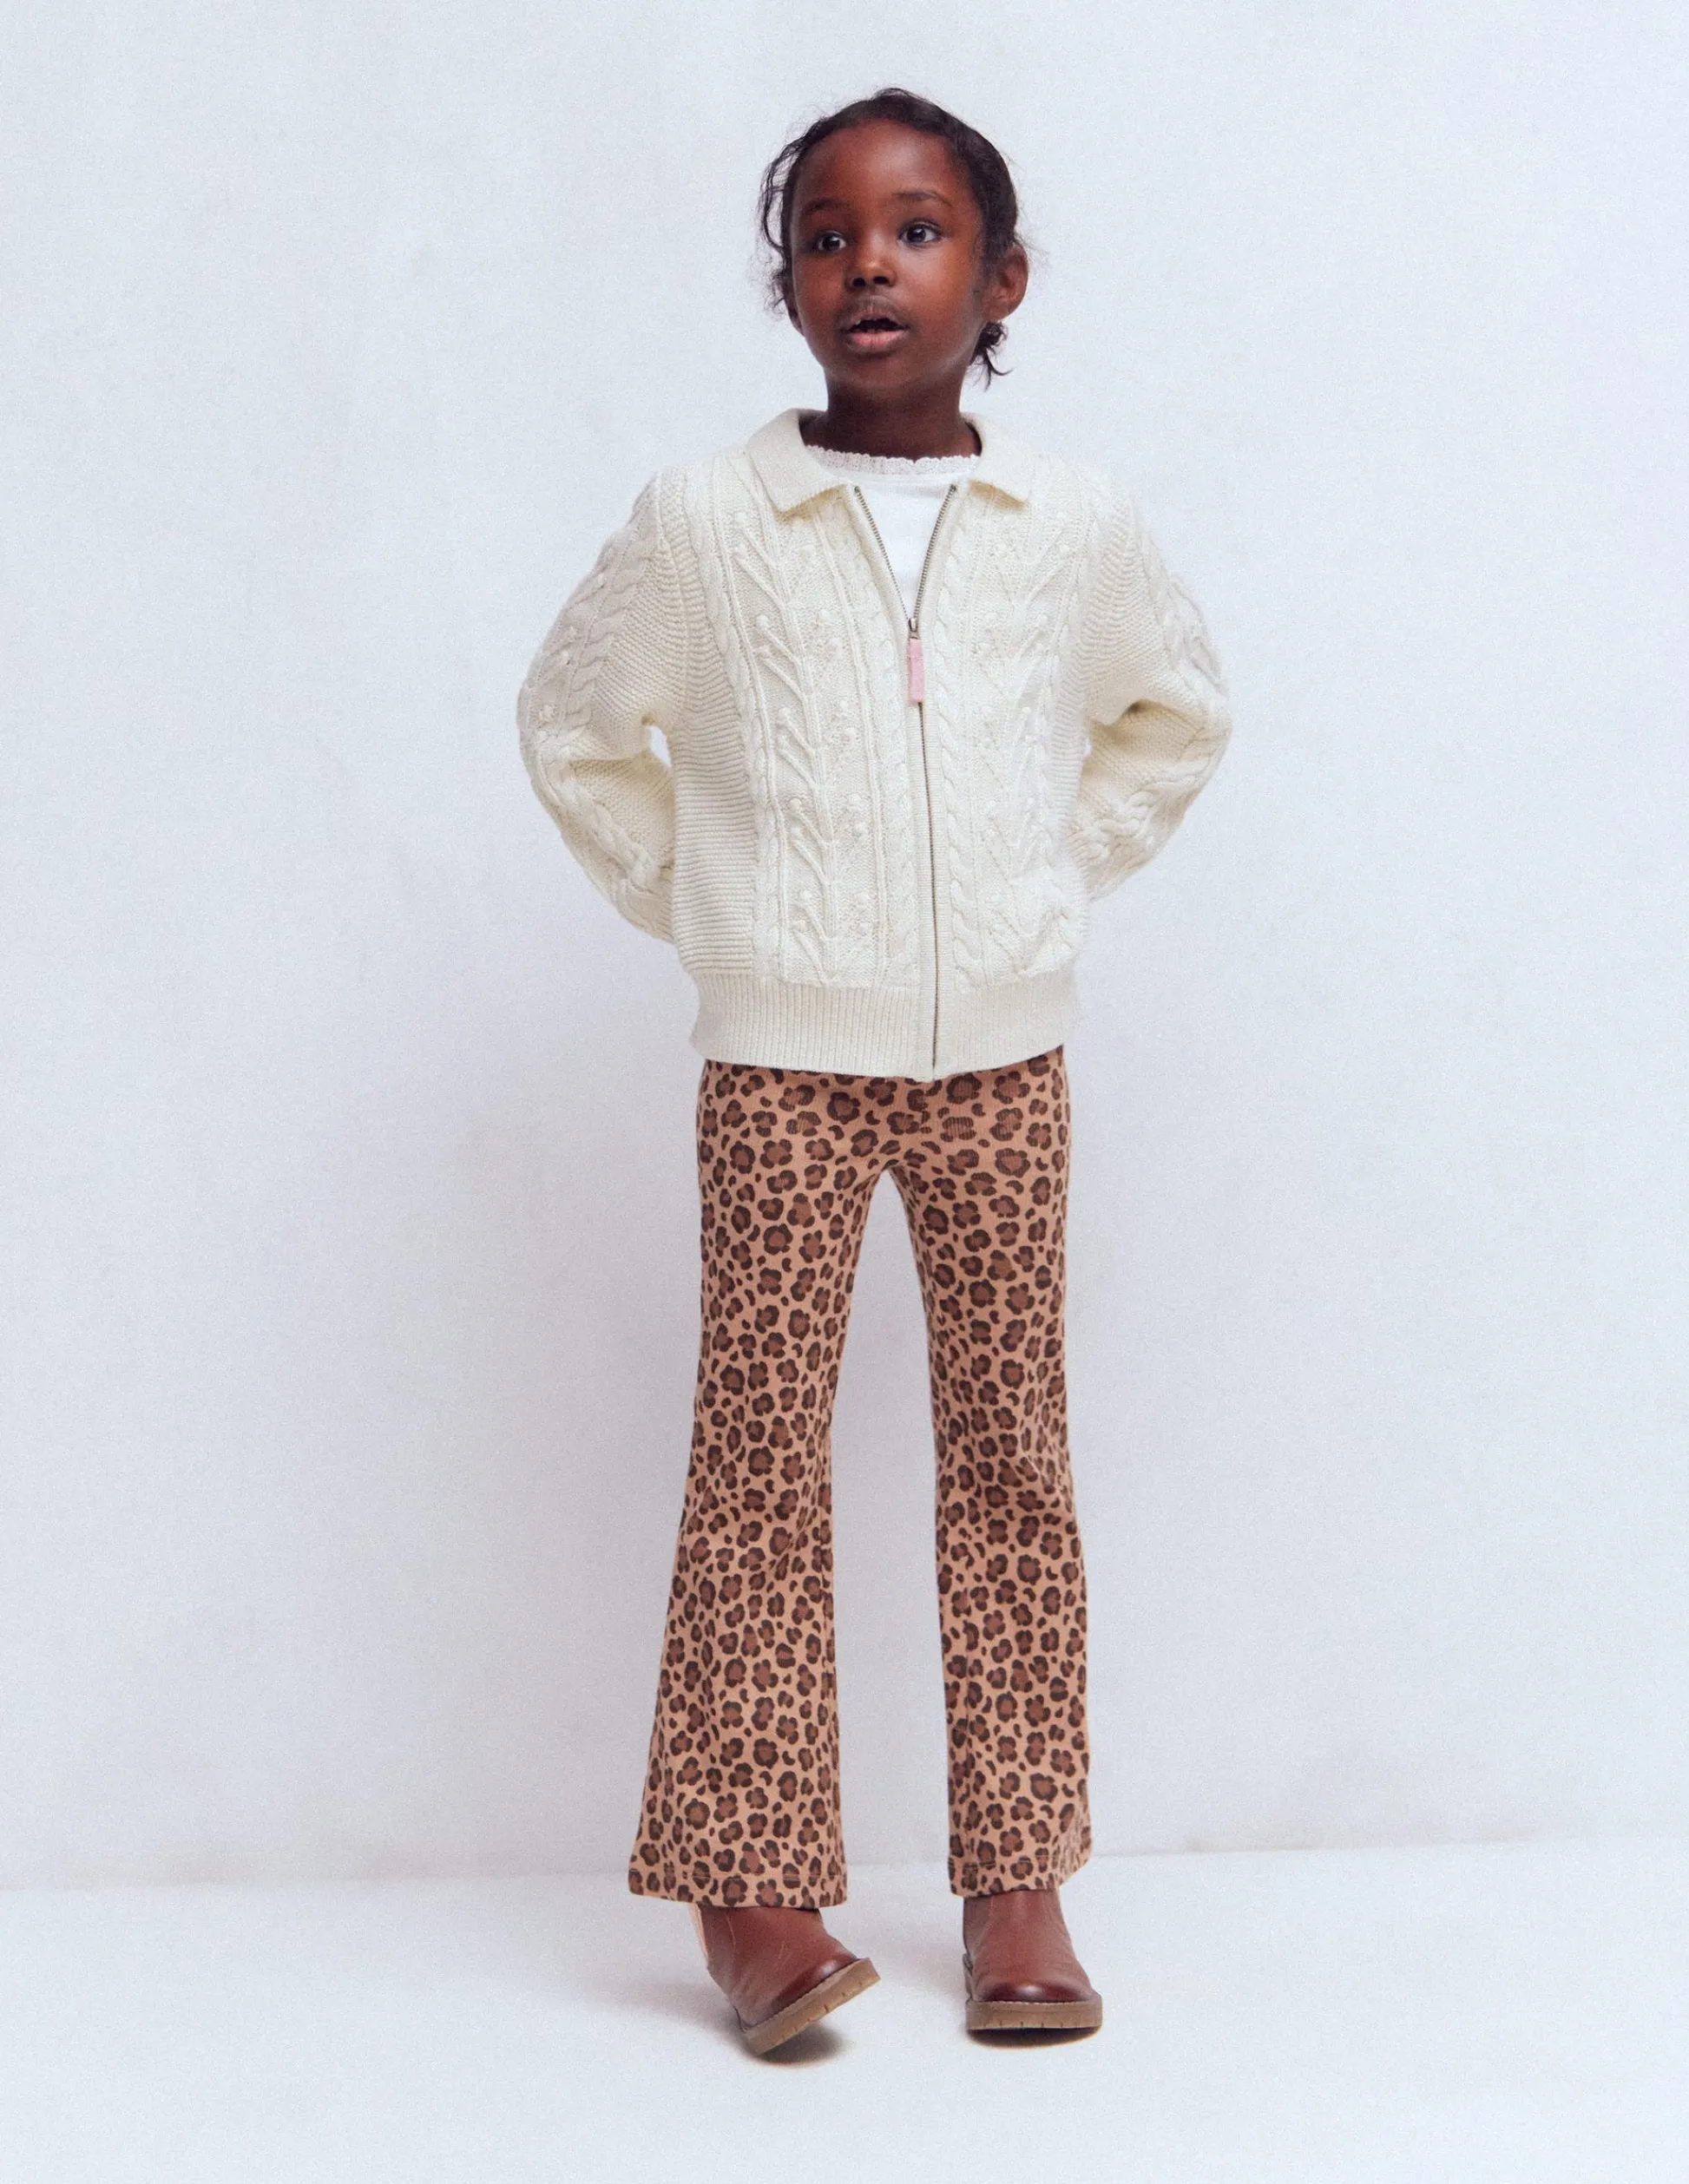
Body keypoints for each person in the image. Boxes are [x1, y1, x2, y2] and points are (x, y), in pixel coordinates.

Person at [518, 87, 1230, 2055]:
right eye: (826, 236)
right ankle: (749, 1893)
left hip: (1004, 1059)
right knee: (755, 1464)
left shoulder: (1068, 524)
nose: (868, 266)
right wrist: (712, 908)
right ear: (788, 286)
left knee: (1013, 1461)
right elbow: (575, 728)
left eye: (916, 230)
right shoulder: (705, 523)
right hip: (782, 1069)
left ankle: (1019, 1881)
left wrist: (1040, 884)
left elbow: (1176, 712)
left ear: (1001, 280)